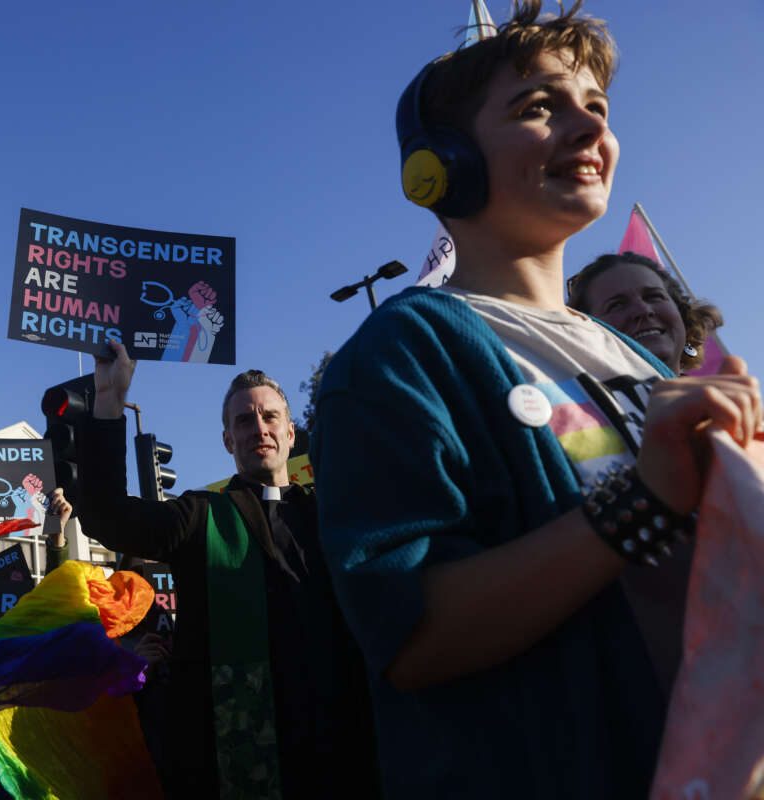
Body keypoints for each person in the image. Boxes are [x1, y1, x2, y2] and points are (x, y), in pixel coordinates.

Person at [311, 3, 763, 798]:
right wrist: (642, 502)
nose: (589, 130)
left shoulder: (629, 355)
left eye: (597, 108)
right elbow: (413, 634)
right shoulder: (400, 352)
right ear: (440, 164)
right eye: (538, 108)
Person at [79, 358, 378, 799]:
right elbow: (107, 517)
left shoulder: (332, 514)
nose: (259, 428)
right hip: (233, 756)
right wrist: (108, 403)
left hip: (342, 746)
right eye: (244, 420)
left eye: (270, 416)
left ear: (291, 434)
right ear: (227, 440)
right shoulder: (200, 515)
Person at [567, 251, 724, 373]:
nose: (643, 310)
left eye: (654, 297)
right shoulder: (569, 412)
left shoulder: (720, 408)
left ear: (682, 315)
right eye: (617, 305)